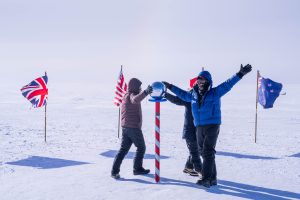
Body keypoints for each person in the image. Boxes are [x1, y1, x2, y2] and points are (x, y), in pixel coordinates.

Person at [163, 64, 252, 187]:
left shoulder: (215, 92)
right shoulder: (193, 94)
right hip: (199, 125)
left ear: (208, 81)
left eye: (202, 80)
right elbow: (182, 95)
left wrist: (240, 74)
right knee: (203, 152)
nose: (200, 82)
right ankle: (213, 178)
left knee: (207, 152)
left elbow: (228, 84)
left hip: (212, 124)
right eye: (198, 79)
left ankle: (206, 179)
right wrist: (170, 86)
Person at [111, 78, 153, 179]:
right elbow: (135, 99)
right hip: (133, 127)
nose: (140, 88)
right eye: (139, 87)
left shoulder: (126, 95)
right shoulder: (131, 95)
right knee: (141, 147)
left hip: (126, 127)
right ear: (134, 87)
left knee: (123, 150)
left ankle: (114, 171)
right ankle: (137, 169)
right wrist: (146, 92)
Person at [164, 87, 202, 177]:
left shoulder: (203, 99)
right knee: (195, 152)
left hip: (198, 130)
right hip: (189, 131)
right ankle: (201, 171)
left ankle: (188, 167)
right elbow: (176, 99)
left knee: (195, 151)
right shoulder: (188, 99)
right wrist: (165, 94)